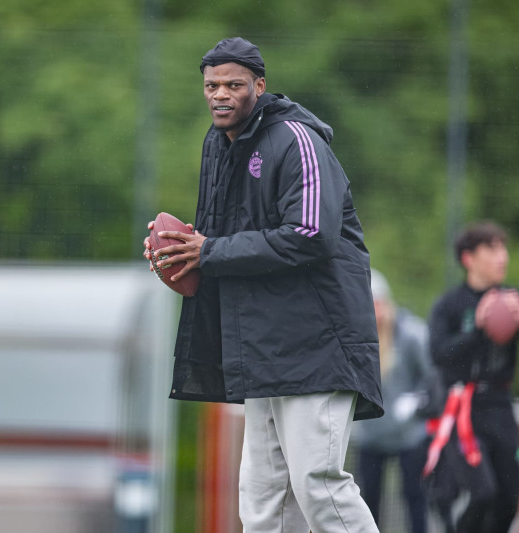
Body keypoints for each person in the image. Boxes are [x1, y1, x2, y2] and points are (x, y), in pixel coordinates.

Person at [142, 37, 383, 533]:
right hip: (264, 345)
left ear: (260, 85)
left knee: (318, 484)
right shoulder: (219, 146)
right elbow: (217, 244)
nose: (221, 94)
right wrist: (184, 253)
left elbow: (312, 234)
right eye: (212, 85)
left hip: (319, 344)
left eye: (234, 84)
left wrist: (206, 251)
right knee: (263, 498)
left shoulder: (297, 138)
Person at [426, 220, 519, 533]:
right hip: (463, 408)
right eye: (492, 248)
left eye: (503, 248)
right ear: (468, 258)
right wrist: (478, 331)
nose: (503, 257)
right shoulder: (451, 304)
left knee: (508, 501)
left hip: (500, 406)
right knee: (483, 492)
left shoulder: (515, 299)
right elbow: (438, 354)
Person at [352, 269, 441, 533]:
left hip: (408, 435)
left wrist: (417, 402)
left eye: (378, 302)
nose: (375, 310)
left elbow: (432, 378)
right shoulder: (355, 337)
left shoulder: (411, 334)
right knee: (367, 504)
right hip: (370, 435)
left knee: (415, 498)